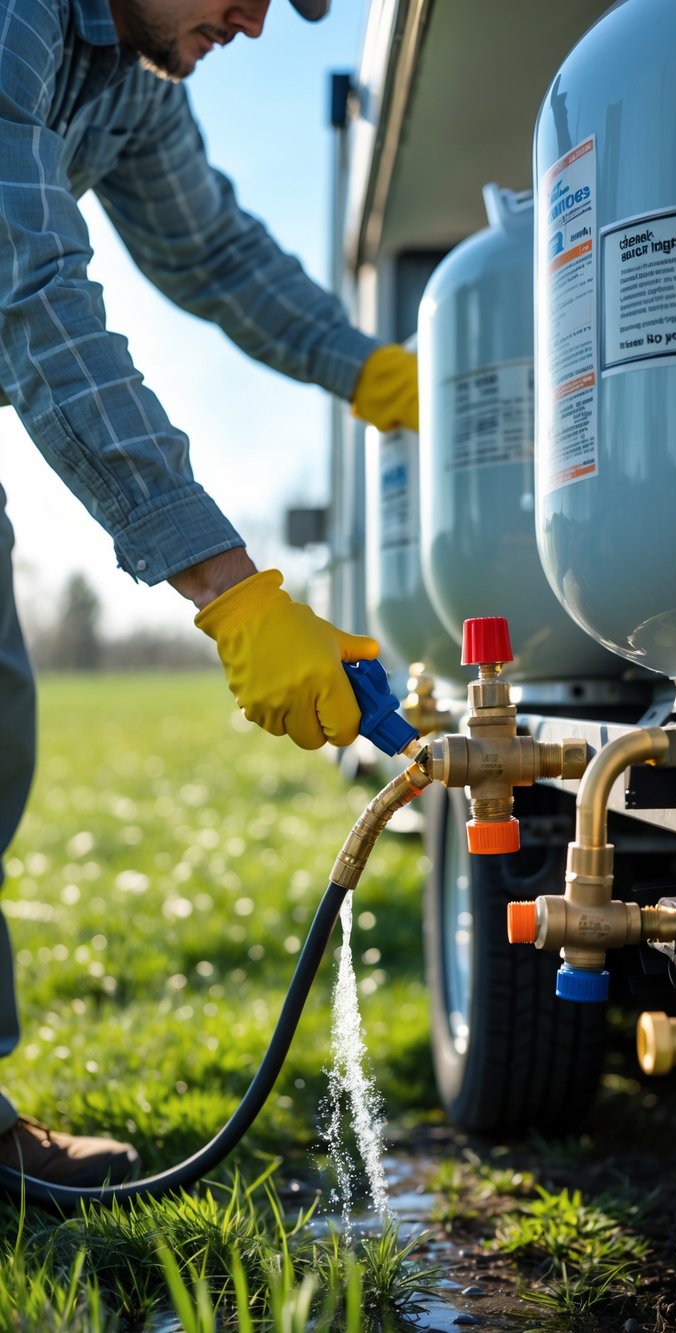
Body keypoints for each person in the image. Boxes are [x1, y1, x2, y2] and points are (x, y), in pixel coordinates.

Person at [0, 0, 418, 1184]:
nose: (254, 19)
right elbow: (32, 294)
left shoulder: (137, 75)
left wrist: (374, 373)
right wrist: (232, 591)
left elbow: (215, 253)